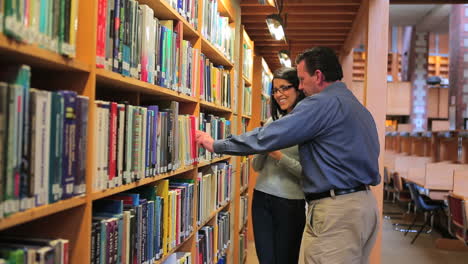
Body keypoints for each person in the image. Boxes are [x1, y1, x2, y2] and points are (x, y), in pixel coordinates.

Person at [196, 46, 381, 264]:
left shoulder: (321, 103)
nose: (301, 87)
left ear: (319, 76)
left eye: (302, 79)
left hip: (337, 211)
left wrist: (217, 144)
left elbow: (268, 136)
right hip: (364, 206)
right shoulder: (357, 108)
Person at [251, 67, 305, 264]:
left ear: (298, 89)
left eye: (284, 88)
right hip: (261, 198)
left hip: (291, 203)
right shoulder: (270, 122)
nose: (279, 95)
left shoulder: (307, 124)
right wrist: (262, 147)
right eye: (275, 90)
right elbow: (256, 166)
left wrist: (278, 155)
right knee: (265, 259)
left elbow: (308, 173)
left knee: (285, 260)